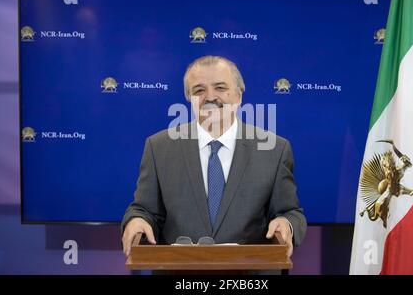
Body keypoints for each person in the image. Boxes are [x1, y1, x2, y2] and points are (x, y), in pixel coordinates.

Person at [121, 55, 306, 262]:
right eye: (199, 90)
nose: (210, 97)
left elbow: (290, 212)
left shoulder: (275, 149)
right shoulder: (158, 147)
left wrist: (285, 223)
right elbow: (144, 209)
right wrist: (136, 220)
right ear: (189, 98)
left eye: (220, 87)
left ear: (238, 95)